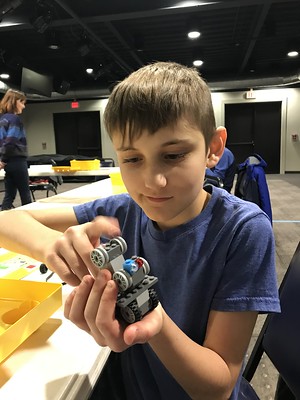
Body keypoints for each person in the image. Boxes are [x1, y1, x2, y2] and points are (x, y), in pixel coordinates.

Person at [0, 62, 280, 400]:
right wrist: (52, 246)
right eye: (132, 160)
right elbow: (8, 220)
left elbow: (218, 386)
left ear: (213, 148)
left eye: (173, 155)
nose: (152, 182)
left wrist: (154, 323)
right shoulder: (123, 211)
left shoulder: (243, 230)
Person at [0, 89, 32, 210]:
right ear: (15, 101)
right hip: (17, 161)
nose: (23, 106)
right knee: (25, 195)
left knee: (9, 195)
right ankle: (29, 224)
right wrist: (4, 160)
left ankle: (2, 222)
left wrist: (3, 160)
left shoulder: (2, 119)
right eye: (22, 102)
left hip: (8, 163)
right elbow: (10, 141)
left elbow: (2, 142)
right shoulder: (15, 119)